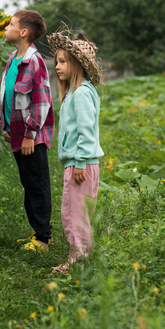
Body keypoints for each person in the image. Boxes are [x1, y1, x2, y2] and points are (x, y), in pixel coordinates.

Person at [47, 29, 104, 272]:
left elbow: (86, 131)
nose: (57, 67)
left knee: (74, 214)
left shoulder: (80, 93)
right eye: (56, 62)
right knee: (79, 212)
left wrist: (79, 161)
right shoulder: (74, 91)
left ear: (77, 64)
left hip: (81, 164)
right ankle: (83, 256)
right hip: (81, 163)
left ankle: (77, 262)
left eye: (62, 62)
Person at [0, 10, 54, 252]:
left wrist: (30, 134)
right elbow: (8, 96)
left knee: (37, 184)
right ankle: (37, 232)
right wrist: (6, 127)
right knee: (27, 182)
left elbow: (42, 101)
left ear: (23, 32)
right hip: (18, 135)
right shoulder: (13, 59)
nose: (5, 28)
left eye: (10, 25)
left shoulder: (34, 61)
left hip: (32, 137)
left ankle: (43, 238)